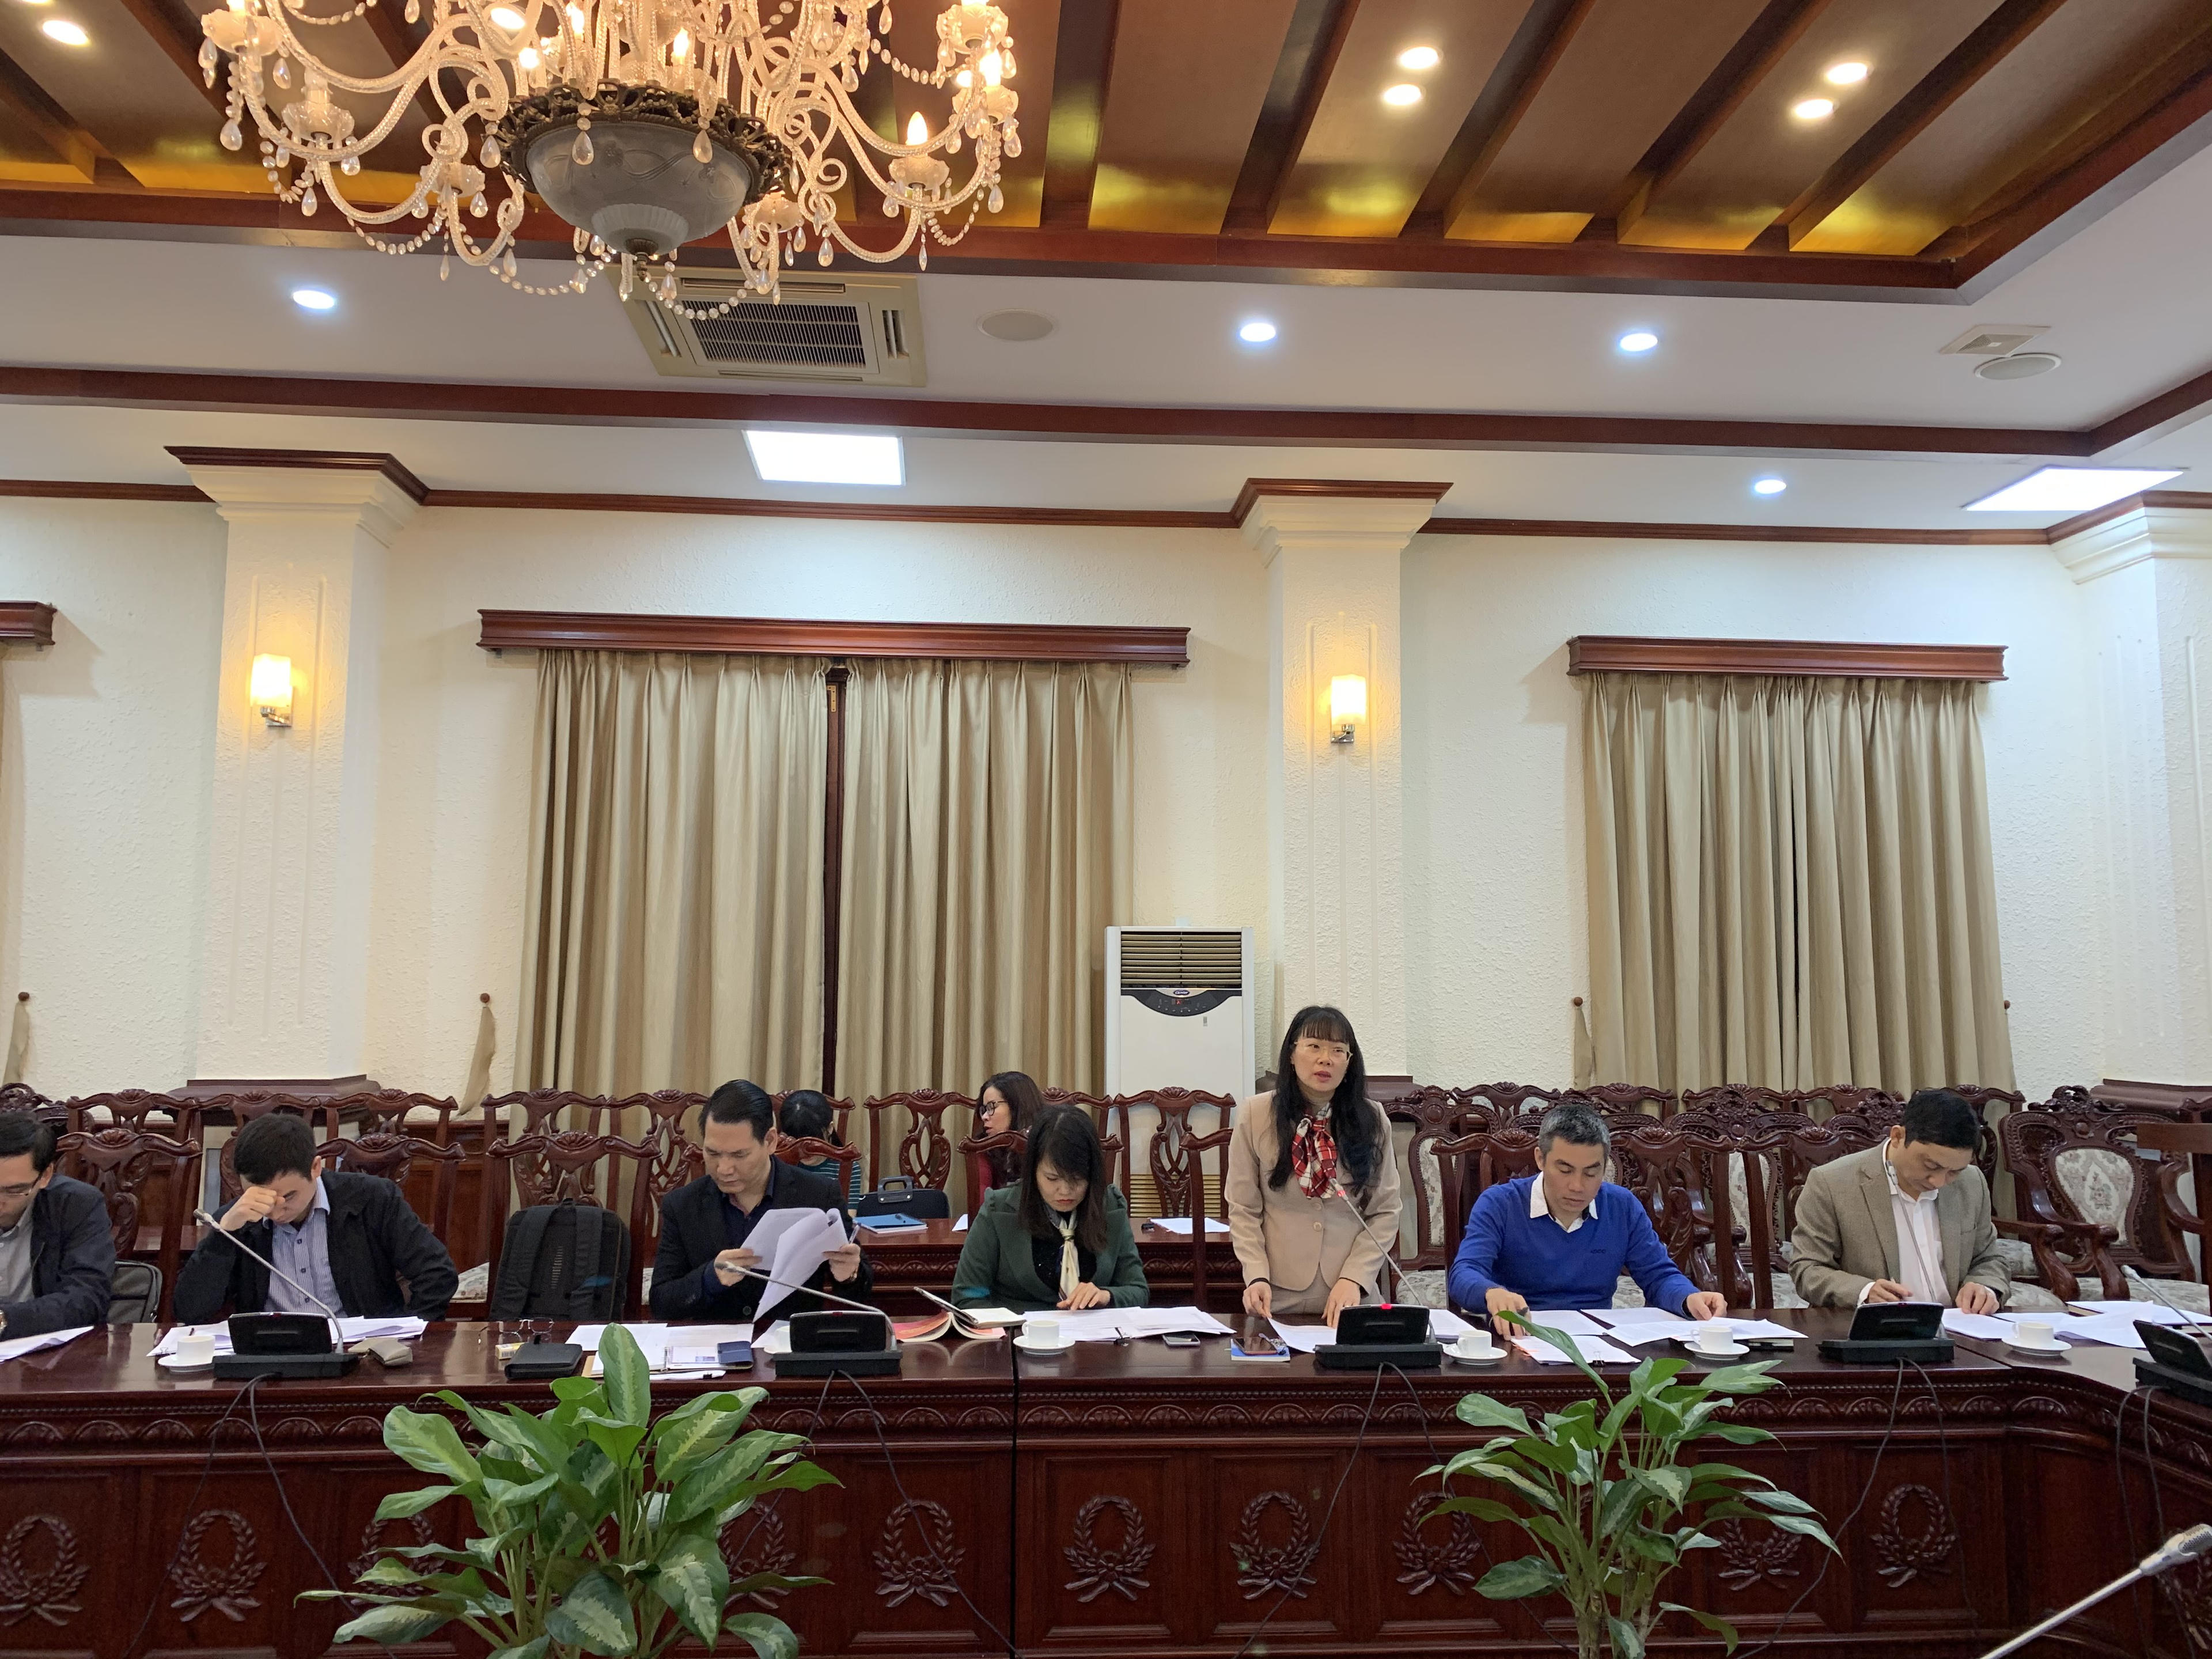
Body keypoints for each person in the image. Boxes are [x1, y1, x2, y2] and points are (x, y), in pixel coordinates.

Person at [1449, 1101, 1727, 1330]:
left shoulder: (1622, 1206)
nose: (1577, 1186)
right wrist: (1492, 1293)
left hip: (1599, 1342)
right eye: (1565, 1170)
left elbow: (1659, 1276)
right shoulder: (1500, 1204)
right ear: (1540, 1159)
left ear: (1605, 1166)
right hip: (1520, 1335)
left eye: (1591, 1173)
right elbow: (1464, 1274)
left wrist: (1689, 1297)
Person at [175, 1112, 457, 1321]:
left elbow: (437, 1274)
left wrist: (407, 1333)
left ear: (315, 1168)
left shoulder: (372, 1199)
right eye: (262, 1199)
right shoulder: (236, 1220)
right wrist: (223, 1237)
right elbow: (191, 1311)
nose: (275, 1213)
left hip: (363, 1352)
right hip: (270, 1355)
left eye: (288, 1197)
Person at [1225, 1005, 1402, 1328]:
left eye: (1338, 1050)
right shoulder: (1255, 1114)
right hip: (1277, 1295)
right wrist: (1256, 1276)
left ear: (1349, 1062)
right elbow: (1243, 1209)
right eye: (1314, 1046)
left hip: (1352, 1296)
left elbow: (1385, 1211)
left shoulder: (1373, 1119)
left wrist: (1355, 1278)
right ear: (1292, 1054)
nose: (1325, 1059)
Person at [651, 1079, 871, 1323]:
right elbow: (661, 1303)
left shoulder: (819, 1194)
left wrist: (848, 1275)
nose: (724, 1169)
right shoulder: (682, 1205)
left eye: (739, 1155)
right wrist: (710, 1278)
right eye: (713, 1153)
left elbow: (861, 1292)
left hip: (788, 1340)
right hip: (712, 1343)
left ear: (770, 1141)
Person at [1789, 1088, 2008, 1313]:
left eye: (1954, 1171)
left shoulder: (1972, 1182)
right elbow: (1808, 1269)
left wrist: (1985, 1287)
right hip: (1875, 1326)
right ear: (1897, 1137)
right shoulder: (1831, 1183)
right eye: (1931, 1166)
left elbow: (1988, 1258)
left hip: (1958, 1323)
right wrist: (1864, 1292)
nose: (1939, 1181)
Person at [952, 1104, 1146, 1312]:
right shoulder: (998, 1210)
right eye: (1052, 1178)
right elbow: (966, 1298)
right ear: (1033, 1170)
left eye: (1077, 1179)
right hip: (1017, 1329)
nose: (1065, 1191)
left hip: (1095, 1330)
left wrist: (1106, 1296)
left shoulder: (1111, 1206)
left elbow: (1138, 1290)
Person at [0, 1110, 113, 1336]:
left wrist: (5, 1320)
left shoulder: (75, 1204)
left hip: (44, 1345)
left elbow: (87, 1298)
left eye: (14, 1191)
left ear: (45, 1175)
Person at [778, 1089, 862, 1208]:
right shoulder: (779, 1166)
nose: (805, 1151)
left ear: (830, 1129)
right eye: (796, 1140)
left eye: (813, 1140)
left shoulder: (847, 1168)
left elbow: (848, 1216)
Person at [975, 1070, 1044, 1192]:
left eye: (992, 1107)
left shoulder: (1048, 1142)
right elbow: (981, 1200)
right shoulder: (983, 1146)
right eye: (984, 1109)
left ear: (1017, 1106)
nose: (984, 1117)